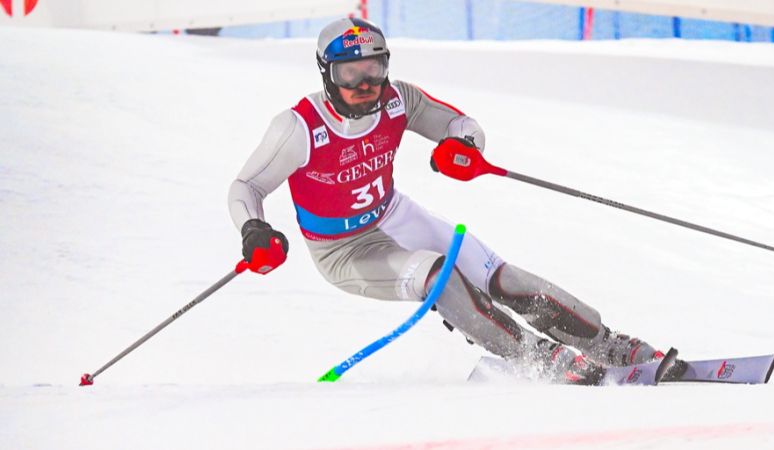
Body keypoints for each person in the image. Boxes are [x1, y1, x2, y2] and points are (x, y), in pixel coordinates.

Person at [228, 17, 663, 385]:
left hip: (392, 214)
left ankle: (608, 343)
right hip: (343, 250)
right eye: (349, 74)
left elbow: (463, 124)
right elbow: (246, 187)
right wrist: (254, 230)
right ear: (327, 73)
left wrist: (463, 147)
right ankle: (545, 362)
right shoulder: (299, 127)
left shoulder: (398, 100)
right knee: (441, 278)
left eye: (375, 68)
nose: (365, 84)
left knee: (501, 279)